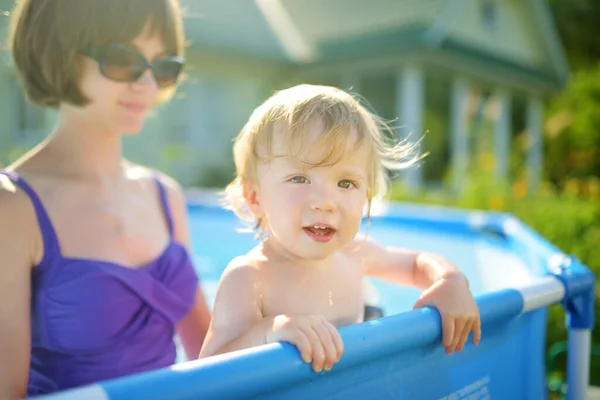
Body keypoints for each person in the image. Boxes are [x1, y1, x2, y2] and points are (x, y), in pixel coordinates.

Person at [0, 0, 211, 397]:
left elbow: (213, 357)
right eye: (121, 60)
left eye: (163, 66)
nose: (147, 85)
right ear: (58, 49)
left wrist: (274, 328)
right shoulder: (11, 206)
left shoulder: (164, 194)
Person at [199, 84, 481, 373]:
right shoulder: (249, 279)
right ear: (255, 197)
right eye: (299, 179)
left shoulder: (355, 254)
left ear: (366, 197)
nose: (325, 202)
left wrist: (450, 280)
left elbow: (416, 264)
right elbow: (206, 374)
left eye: (346, 183)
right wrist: (269, 331)